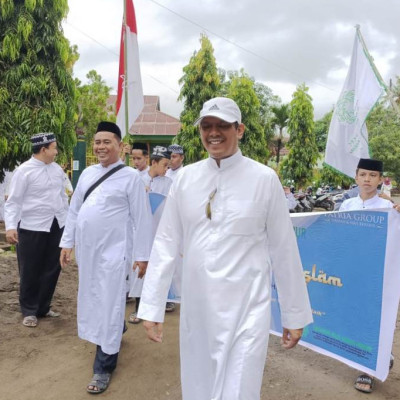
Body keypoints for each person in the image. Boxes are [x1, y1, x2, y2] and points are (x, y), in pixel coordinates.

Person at [138, 97, 313, 400]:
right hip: (198, 306)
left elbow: (284, 248)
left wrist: (294, 314)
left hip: (247, 307)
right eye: (207, 126)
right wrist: (152, 306)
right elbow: (167, 242)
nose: (213, 133)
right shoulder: (187, 178)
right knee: (199, 386)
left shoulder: (264, 179)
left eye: (222, 126)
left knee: (240, 389)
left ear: (239, 129)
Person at [59, 121, 152, 394]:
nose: (100, 147)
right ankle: (115, 329)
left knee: (110, 303)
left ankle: (103, 367)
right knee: (94, 299)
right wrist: (67, 243)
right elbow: (75, 210)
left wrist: (142, 255)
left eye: (106, 142)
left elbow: (142, 218)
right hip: (88, 254)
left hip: (115, 254)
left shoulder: (131, 178)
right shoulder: (87, 173)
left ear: (120, 146)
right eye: (97, 142)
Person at [339, 158, 398, 393]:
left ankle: (368, 370)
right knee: (355, 318)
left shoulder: (388, 209)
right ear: (356, 177)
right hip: (352, 273)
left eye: (372, 175)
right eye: (363, 174)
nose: (367, 179)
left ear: (380, 180)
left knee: (374, 319)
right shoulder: (347, 206)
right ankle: (379, 354)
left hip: (378, 275)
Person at [4, 133, 68, 328]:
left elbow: (63, 197)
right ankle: (29, 311)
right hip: (32, 226)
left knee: (52, 267)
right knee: (30, 269)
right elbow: (13, 202)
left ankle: (43, 307)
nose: (56, 152)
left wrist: (67, 222)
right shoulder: (24, 172)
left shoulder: (57, 170)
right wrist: (11, 227)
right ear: (43, 150)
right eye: (54, 148)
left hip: (56, 225)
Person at [128, 146, 173, 323]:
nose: (166, 169)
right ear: (154, 162)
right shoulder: (137, 180)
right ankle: (138, 309)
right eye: (164, 165)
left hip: (160, 233)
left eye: (168, 166)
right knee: (139, 271)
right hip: (139, 234)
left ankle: (154, 308)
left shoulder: (169, 183)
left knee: (157, 271)